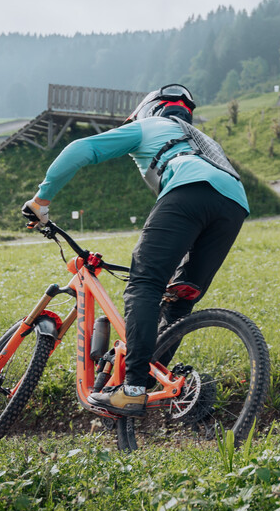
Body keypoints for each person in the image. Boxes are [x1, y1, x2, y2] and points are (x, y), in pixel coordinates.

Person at [22, 84, 250, 417]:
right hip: (234, 204)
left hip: (188, 191)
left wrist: (41, 199)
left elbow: (78, 150)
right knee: (179, 296)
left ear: (148, 110)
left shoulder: (149, 126)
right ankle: (151, 378)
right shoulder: (204, 141)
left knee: (145, 284)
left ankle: (132, 389)